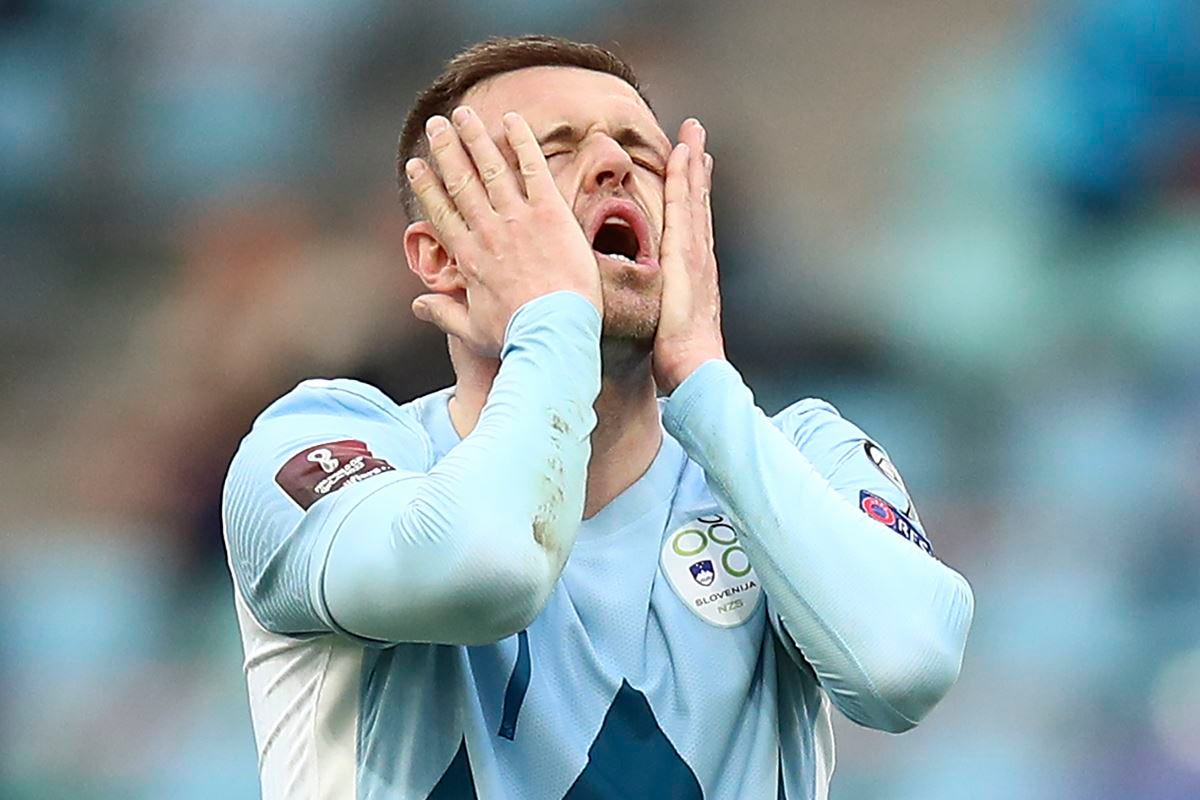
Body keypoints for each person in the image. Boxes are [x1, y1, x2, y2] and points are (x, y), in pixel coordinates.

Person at [222, 35, 974, 800]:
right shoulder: (319, 441)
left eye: (644, 155)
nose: (614, 165)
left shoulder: (796, 453)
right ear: (443, 257)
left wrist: (703, 379)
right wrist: (553, 320)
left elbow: (903, 669)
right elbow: (487, 570)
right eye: (551, 152)